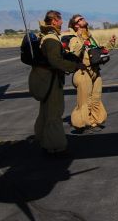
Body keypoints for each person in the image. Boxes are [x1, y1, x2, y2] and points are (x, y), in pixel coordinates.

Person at [28, 10, 83, 157]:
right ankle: (55, 146)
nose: (62, 22)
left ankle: (43, 139)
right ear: (53, 21)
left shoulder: (45, 36)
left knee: (45, 112)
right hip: (51, 81)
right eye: (59, 20)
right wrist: (74, 66)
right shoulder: (52, 39)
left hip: (45, 79)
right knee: (54, 113)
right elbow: (55, 61)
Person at [65, 14, 116, 132]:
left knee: (95, 99)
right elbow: (74, 53)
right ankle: (82, 124)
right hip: (83, 72)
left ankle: (93, 121)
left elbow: (100, 51)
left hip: (95, 71)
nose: (83, 20)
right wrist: (81, 42)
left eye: (83, 18)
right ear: (76, 24)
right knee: (84, 101)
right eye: (80, 19)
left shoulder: (91, 37)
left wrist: (110, 43)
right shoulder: (73, 38)